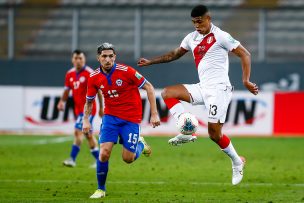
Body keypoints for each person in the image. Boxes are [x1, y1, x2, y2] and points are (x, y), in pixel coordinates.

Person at [137, 5, 259, 185]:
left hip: (219, 90)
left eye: (199, 21)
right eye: (194, 22)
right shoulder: (191, 38)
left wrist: (246, 81)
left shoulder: (221, 36)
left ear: (208, 18)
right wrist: (150, 62)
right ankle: (187, 129)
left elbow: (245, 54)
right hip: (203, 87)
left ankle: (236, 161)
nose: (197, 25)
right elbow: (174, 54)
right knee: (167, 93)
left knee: (214, 134)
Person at [83, 43, 160, 198]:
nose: (107, 59)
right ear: (98, 58)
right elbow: (89, 101)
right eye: (104, 56)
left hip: (130, 119)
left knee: (128, 159)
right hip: (110, 118)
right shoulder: (94, 78)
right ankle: (100, 189)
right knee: (104, 153)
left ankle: (140, 144)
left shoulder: (127, 72)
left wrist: (154, 113)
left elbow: (149, 87)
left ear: (115, 57)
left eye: (111, 56)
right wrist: (86, 120)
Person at [57, 49, 103, 167]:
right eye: (76, 58)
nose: (78, 61)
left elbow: (98, 91)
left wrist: (101, 108)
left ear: (84, 60)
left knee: (78, 132)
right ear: (72, 59)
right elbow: (67, 90)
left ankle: (72, 159)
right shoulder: (70, 74)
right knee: (88, 136)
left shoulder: (89, 73)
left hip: (89, 110)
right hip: (78, 110)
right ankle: (100, 160)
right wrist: (62, 101)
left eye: (80, 58)